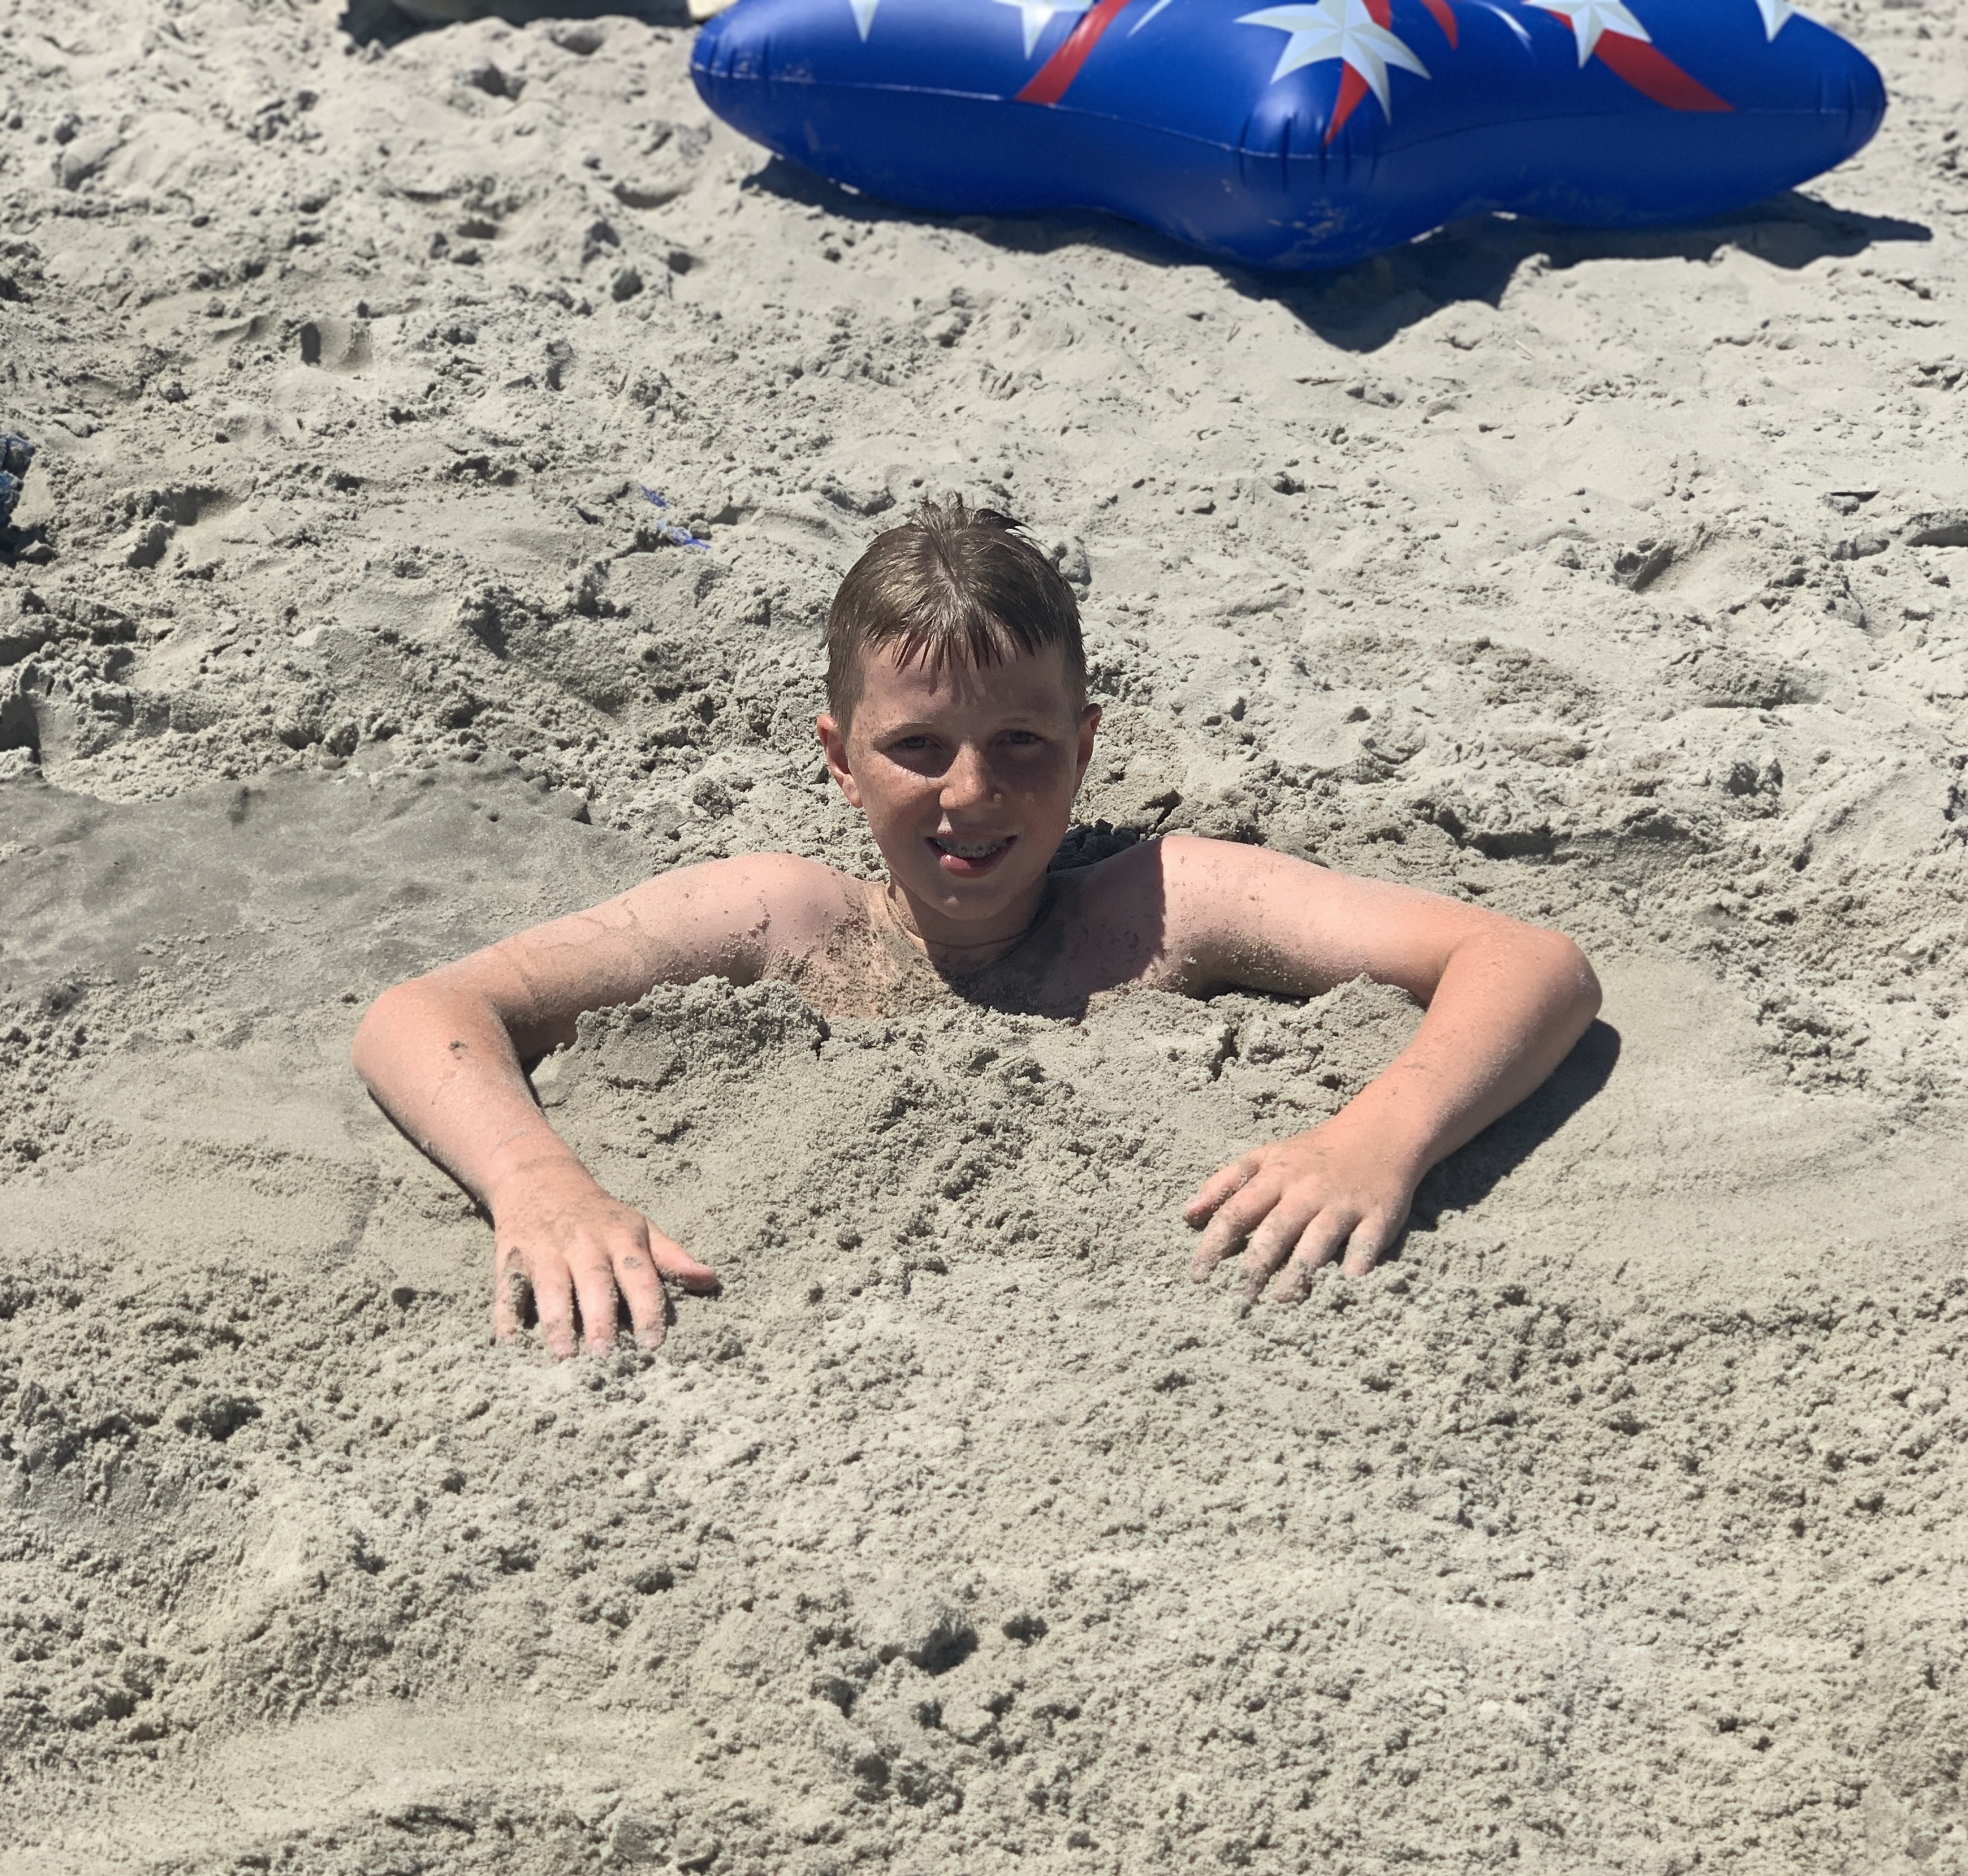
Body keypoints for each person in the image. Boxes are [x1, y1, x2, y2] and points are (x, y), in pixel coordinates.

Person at [353, 500, 1600, 1357]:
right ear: (840, 758)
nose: (970, 794)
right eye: (916, 748)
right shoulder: (782, 918)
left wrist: (1374, 1140)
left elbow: (1528, 961)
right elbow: (426, 1012)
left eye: (1020, 743)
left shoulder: (1160, 911)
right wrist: (540, 1188)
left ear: (1085, 745)